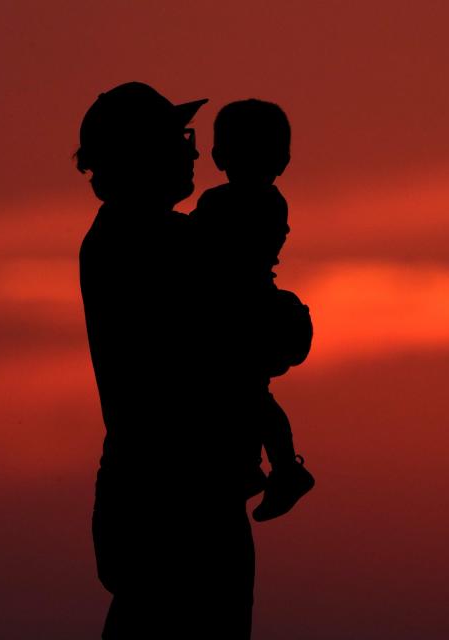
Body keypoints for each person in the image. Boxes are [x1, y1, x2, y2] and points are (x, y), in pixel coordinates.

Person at [76, 82, 256, 639]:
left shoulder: (133, 239)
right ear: (141, 153)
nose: (194, 151)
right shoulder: (159, 243)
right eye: (179, 138)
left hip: (160, 494)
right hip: (179, 502)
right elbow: (267, 335)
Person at [190, 99, 315, 522]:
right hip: (252, 309)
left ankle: (271, 468)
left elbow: (198, 252)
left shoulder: (219, 203)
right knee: (253, 396)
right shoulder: (272, 202)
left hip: (237, 315)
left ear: (217, 154)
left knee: (243, 394)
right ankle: (277, 467)